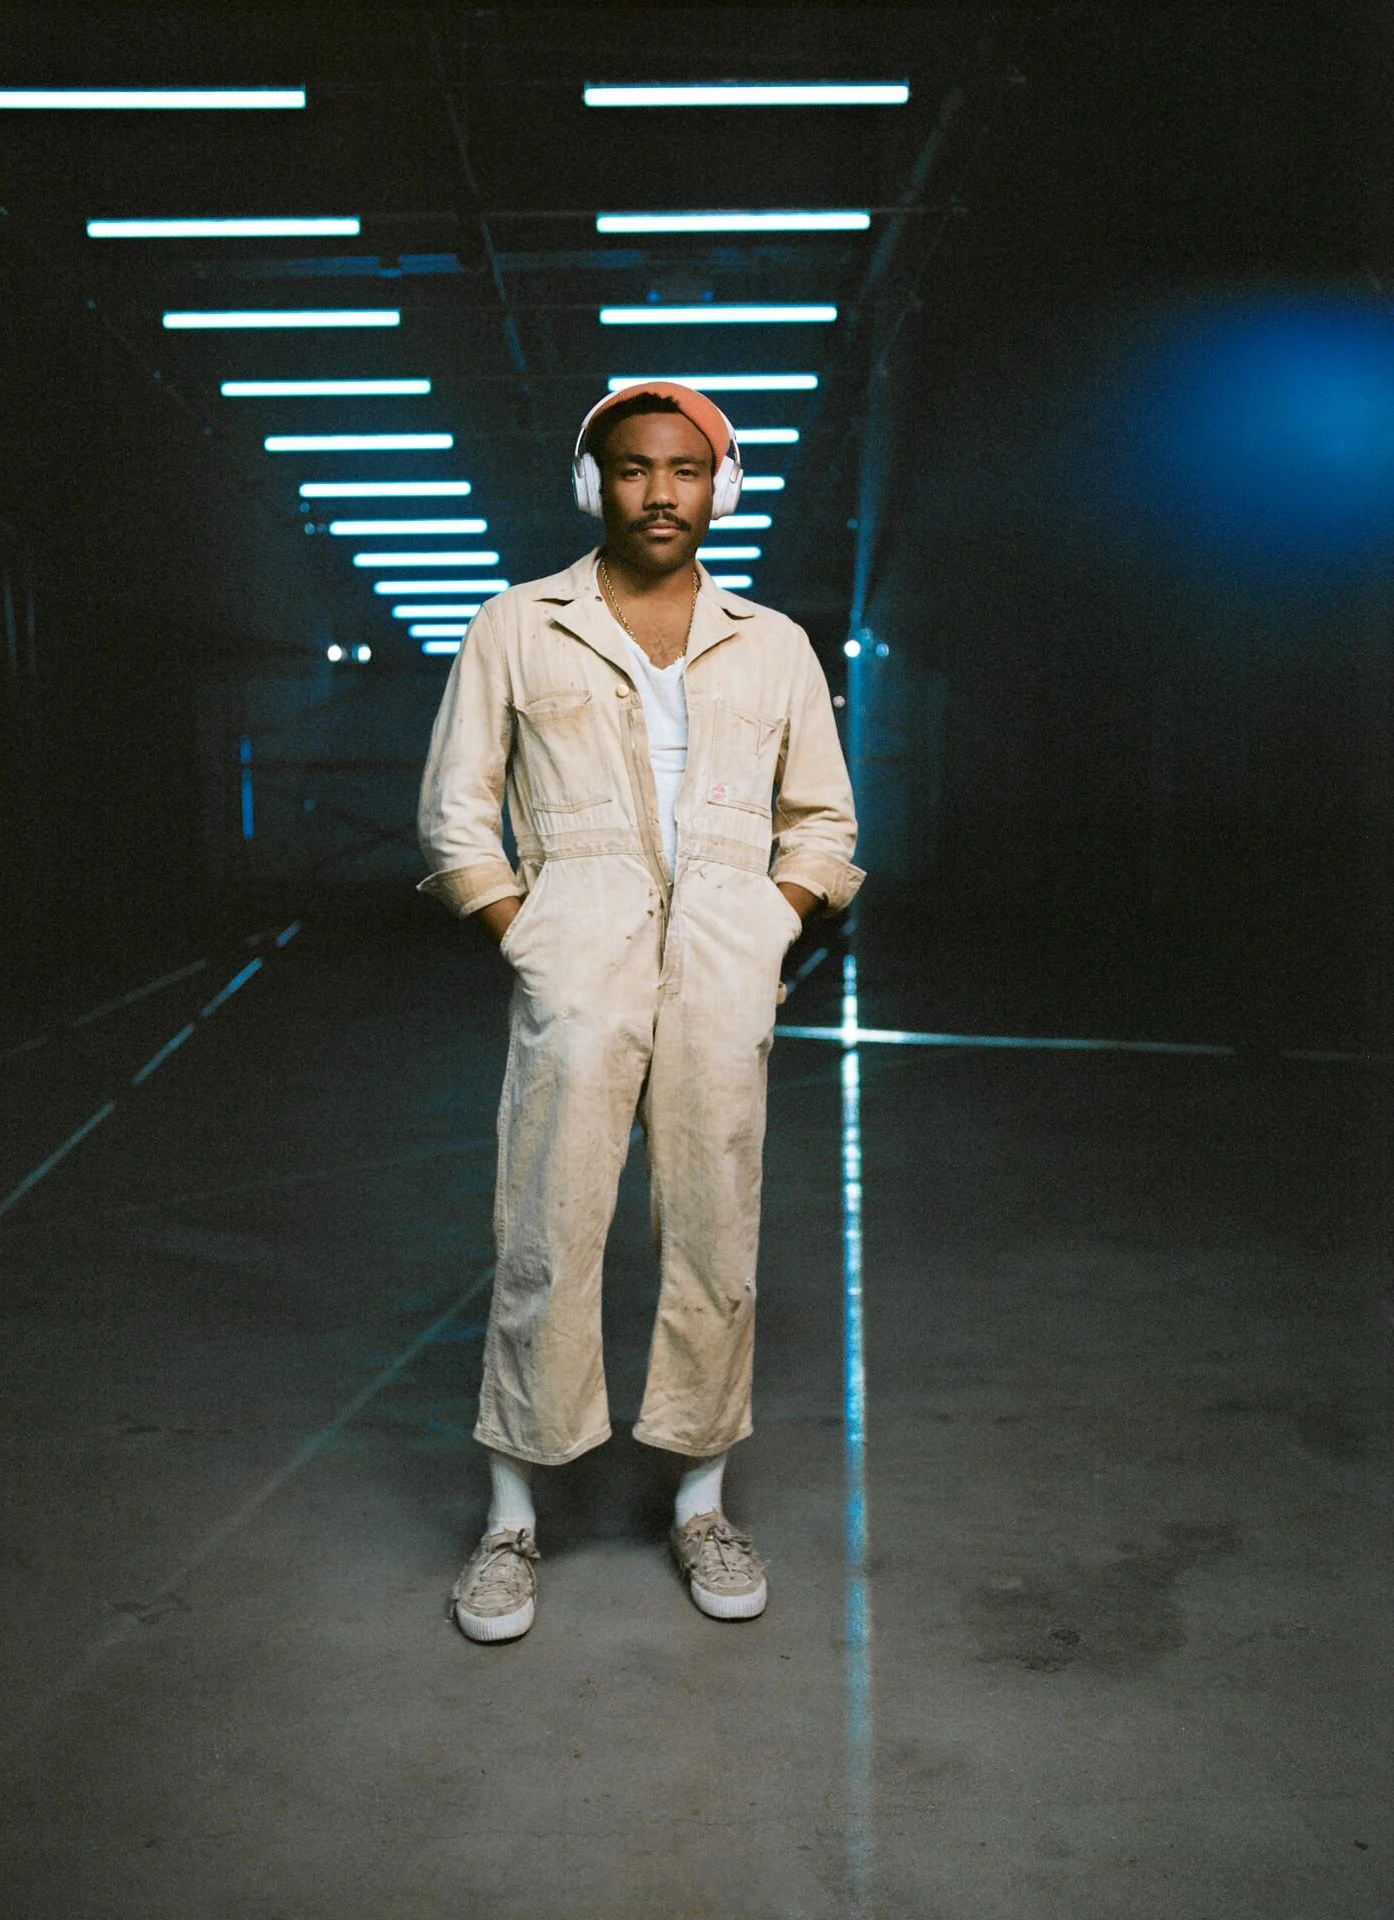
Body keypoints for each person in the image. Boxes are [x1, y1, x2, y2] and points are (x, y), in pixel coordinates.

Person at [416, 381, 862, 1642]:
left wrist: (767, 920)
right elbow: (457, 813)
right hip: (581, 962)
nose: (659, 492)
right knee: (546, 1226)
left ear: (721, 487)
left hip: (724, 968)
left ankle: (700, 1505)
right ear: (592, 485)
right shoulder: (517, 625)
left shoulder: (771, 643)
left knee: (716, 1232)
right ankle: (511, 1520)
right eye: (631, 468)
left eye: (684, 469)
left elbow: (823, 821)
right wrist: (533, 937)